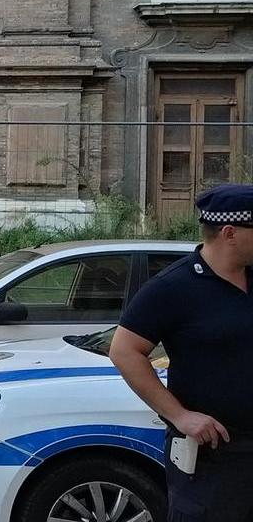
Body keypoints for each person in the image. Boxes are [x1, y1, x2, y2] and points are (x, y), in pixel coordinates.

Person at [110, 183, 253, 522]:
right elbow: (125, 350)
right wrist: (179, 415)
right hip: (212, 461)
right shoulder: (174, 287)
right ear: (230, 233)